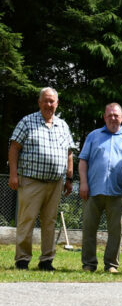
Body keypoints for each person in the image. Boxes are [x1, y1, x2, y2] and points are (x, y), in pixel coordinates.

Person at [8, 87, 76, 271]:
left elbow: (69, 152)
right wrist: (13, 174)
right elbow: (14, 148)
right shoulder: (27, 122)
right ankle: (22, 260)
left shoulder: (63, 125)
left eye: (52, 101)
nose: (49, 104)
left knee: (49, 223)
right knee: (26, 220)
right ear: (39, 103)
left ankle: (47, 260)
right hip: (31, 180)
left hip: (55, 183)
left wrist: (69, 178)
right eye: (45, 100)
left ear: (57, 103)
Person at [78, 103, 122, 273]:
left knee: (115, 232)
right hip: (92, 191)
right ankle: (89, 264)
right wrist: (83, 183)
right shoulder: (93, 136)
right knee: (88, 230)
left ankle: (111, 265)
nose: (113, 118)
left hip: (118, 193)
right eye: (109, 115)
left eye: (116, 115)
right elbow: (83, 161)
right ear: (104, 117)